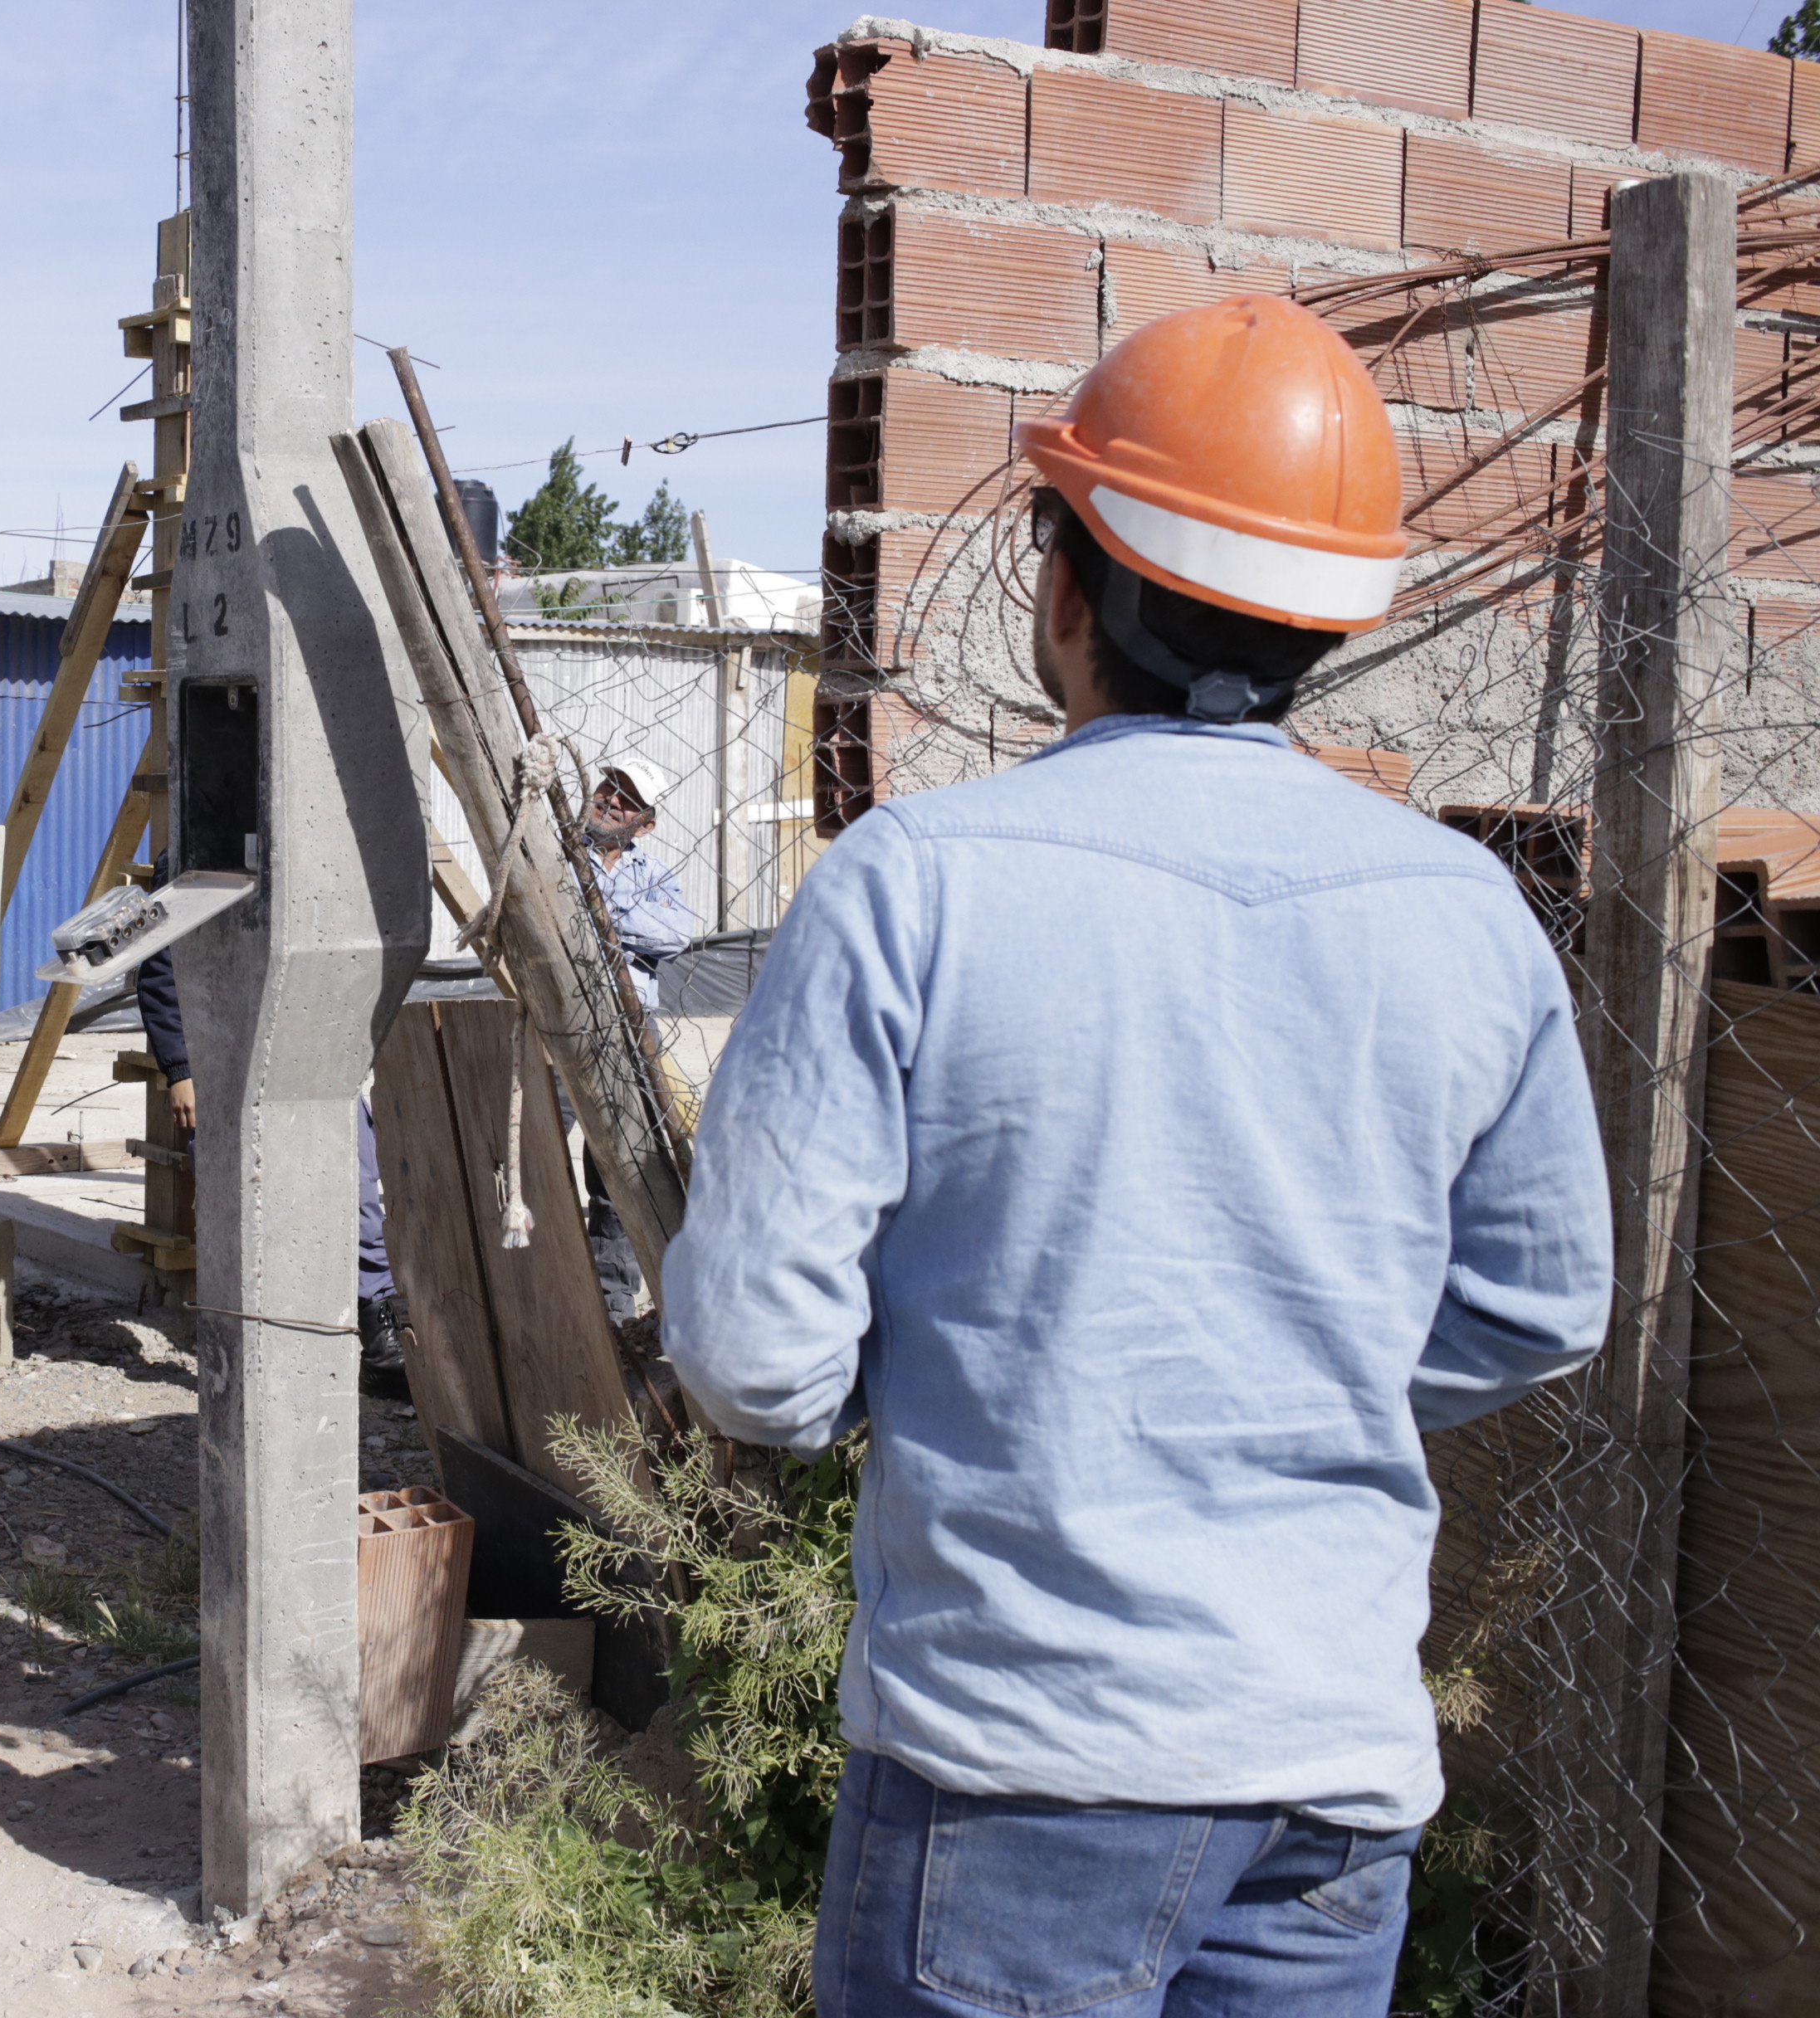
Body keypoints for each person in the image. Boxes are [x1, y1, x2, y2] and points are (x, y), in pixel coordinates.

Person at [660, 296, 1612, 2016]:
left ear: (1071, 582)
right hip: (1330, 1793)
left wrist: (961, 1377)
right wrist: (1290, 1374)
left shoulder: (916, 883)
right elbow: (1543, 1306)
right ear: (1333, 611)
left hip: (1016, 1767)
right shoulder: (1472, 917)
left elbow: (750, 1355)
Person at [135, 938, 408, 1393]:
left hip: (320, 1060)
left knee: (357, 1196)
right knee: (239, 1209)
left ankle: (381, 1343)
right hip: (228, 1064)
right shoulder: (198, 866)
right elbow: (162, 968)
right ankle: (251, 1346)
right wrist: (181, 1069)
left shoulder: (333, 871)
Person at [577, 758, 696, 1322]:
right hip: (565, 1007)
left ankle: (612, 1307)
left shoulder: (655, 867)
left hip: (631, 1020)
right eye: (609, 788)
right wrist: (627, 910)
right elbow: (561, 917)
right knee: (530, 1151)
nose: (611, 802)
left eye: (627, 800)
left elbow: (676, 934)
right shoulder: (559, 848)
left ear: (644, 823)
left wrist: (602, 905)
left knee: (622, 1164)